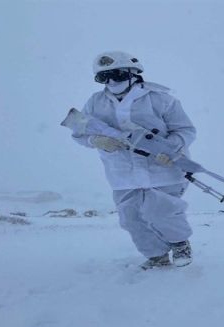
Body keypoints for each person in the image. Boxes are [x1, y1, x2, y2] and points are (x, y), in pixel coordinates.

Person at [70, 51, 196, 269]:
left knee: (160, 212)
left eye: (117, 75)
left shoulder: (161, 99)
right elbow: (79, 132)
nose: (111, 81)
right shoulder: (95, 102)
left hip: (163, 168)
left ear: (133, 73)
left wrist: (172, 148)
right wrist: (96, 140)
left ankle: (179, 244)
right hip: (122, 174)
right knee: (131, 219)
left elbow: (185, 130)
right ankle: (157, 255)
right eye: (103, 78)